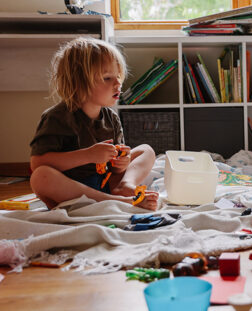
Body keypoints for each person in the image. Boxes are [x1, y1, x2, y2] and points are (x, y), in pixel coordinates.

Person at [29, 37, 159, 210]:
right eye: (107, 78)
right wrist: (88, 156)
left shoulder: (111, 118)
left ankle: (124, 187)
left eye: (118, 76)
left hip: (105, 182)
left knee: (146, 150)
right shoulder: (57, 118)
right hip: (71, 190)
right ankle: (114, 201)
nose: (118, 83)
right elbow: (37, 163)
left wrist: (122, 163)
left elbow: (115, 168)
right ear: (79, 82)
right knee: (40, 177)